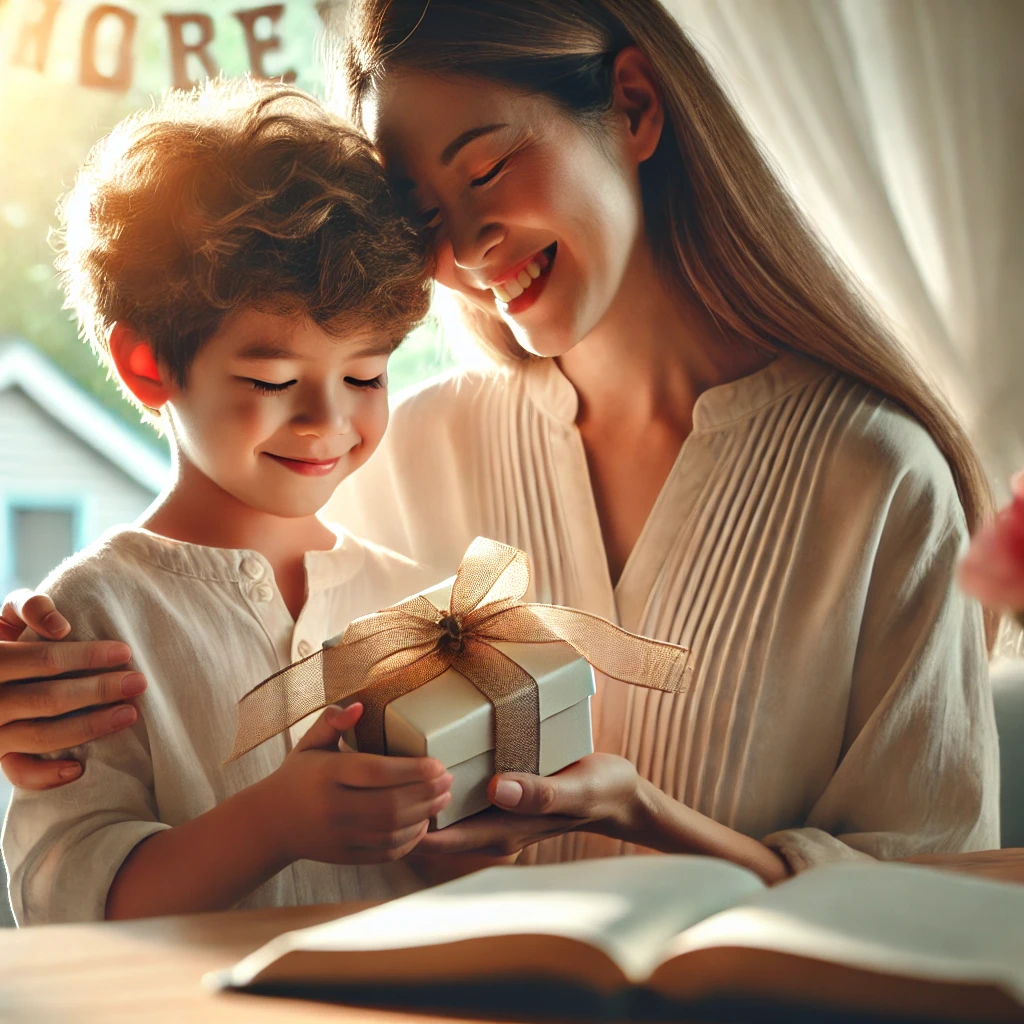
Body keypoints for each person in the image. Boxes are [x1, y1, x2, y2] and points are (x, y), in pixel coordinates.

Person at [1, 0, 1000, 884]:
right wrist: (38, 668)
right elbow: (210, 625)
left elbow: (942, 893)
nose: (470, 246)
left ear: (637, 105)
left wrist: (646, 815)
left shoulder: (878, 478)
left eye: (488, 166)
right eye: (426, 215)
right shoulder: (397, 450)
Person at [2, 76, 454, 926]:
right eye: (272, 380)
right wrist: (276, 823)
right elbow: (65, 901)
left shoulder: (418, 602)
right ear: (149, 369)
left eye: (366, 374)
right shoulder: (89, 621)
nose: (329, 420)